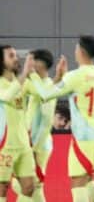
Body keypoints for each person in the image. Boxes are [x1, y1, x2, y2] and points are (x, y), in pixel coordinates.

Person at [29, 35, 94, 202]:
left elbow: (45, 94)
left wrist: (33, 75)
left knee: (77, 182)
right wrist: (62, 77)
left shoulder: (75, 75)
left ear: (80, 51)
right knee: (89, 180)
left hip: (84, 137)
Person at [0, 45, 37, 200]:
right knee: (2, 189)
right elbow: (8, 96)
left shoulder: (22, 81)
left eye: (16, 55)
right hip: (4, 145)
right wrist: (24, 74)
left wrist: (57, 78)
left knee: (29, 187)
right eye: (11, 56)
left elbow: (44, 94)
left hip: (23, 144)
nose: (16, 58)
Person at [20, 48, 57, 202]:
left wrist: (34, 148)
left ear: (41, 65)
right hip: (26, 140)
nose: (29, 64)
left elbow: (46, 122)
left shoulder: (48, 86)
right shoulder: (30, 82)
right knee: (34, 185)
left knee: (30, 186)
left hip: (38, 145)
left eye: (32, 60)